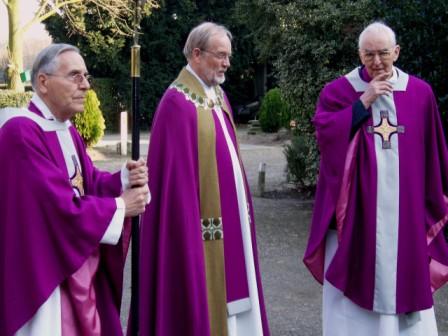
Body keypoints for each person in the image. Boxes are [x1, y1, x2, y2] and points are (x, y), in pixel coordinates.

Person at [303, 21, 448, 335]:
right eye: (369, 55)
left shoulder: (420, 93)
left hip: (405, 215)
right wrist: (363, 102)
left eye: (384, 53)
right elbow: (326, 136)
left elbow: (434, 152)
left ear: (396, 51)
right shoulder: (339, 91)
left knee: (402, 280)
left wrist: (432, 202)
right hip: (355, 215)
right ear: (359, 53)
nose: (377, 61)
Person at [0, 43, 150, 336]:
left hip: (75, 267)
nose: (86, 85)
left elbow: (87, 184)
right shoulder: (20, 132)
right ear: (43, 82)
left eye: (86, 76)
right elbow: (57, 207)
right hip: (43, 272)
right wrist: (121, 206)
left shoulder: (65, 129)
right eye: (75, 76)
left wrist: (122, 179)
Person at [134, 22, 270, 336]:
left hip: (232, 221)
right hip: (200, 229)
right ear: (196, 54)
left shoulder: (218, 94)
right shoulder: (176, 104)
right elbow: (175, 186)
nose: (227, 63)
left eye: (228, 56)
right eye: (220, 55)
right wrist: (187, 232)